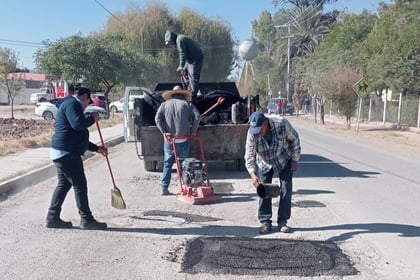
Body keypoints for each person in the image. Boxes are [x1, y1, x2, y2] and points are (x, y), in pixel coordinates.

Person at [46, 87, 108, 230]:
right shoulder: (73, 104)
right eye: (88, 102)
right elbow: (78, 124)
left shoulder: (69, 104)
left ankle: (52, 218)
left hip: (62, 151)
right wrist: (92, 118)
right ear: (85, 96)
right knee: (80, 185)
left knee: (64, 184)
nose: (87, 106)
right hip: (67, 153)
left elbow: (77, 135)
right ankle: (87, 219)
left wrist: (97, 149)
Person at [244, 112, 301, 234]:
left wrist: (295, 160)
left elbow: (295, 139)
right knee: (263, 190)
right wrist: (253, 174)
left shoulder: (282, 124)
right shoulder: (252, 133)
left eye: (260, 129)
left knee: (286, 189)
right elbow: (249, 155)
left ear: (266, 123)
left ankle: (282, 221)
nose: (259, 133)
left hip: (283, 159)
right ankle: (265, 221)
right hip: (264, 162)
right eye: (256, 131)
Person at [155, 85, 201, 195]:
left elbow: (157, 118)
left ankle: (164, 188)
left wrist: (164, 132)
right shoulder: (188, 104)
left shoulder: (164, 105)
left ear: (172, 95)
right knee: (185, 164)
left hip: (170, 140)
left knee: (167, 164)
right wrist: (193, 131)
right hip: (184, 139)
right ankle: (186, 187)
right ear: (183, 94)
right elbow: (198, 117)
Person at [164, 30, 204, 103]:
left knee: (193, 76)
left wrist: (180, 66)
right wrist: (182, 68)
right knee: (185, 72)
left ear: (172, 38)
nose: (170, 44)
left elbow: (182, 54)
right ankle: (188, 89)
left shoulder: (180, 40)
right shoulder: (179, 39)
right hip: (190, 60)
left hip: (196, 58)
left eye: (170, 42)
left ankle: (192, 96)